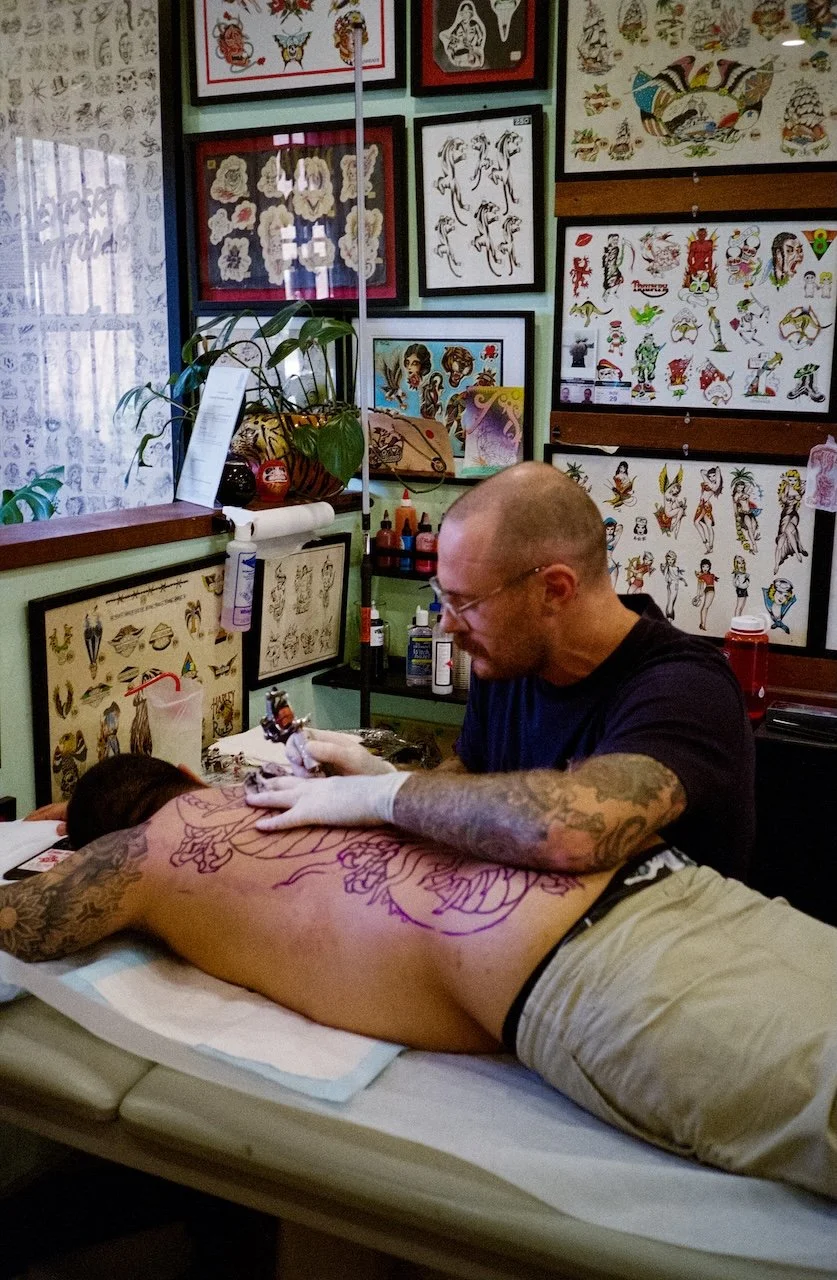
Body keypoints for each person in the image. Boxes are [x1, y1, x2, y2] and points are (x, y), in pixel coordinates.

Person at [2, 755, 834, 1201]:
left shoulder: (138, 853)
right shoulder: (312, 794)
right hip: (676, 890)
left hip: (600, 972)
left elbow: (30, 927)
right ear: (188, 776)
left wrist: (53, 843)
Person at [251, 464, 755, 881]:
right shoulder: (511, 660)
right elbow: (469, 780)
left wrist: (381, 796)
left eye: (466, 602)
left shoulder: (687, 689)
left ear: (554, 590)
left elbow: (571, 830)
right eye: (442, 598)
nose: (448, 625)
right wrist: (380, 775)